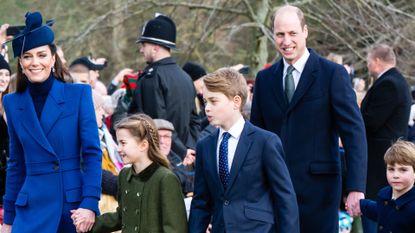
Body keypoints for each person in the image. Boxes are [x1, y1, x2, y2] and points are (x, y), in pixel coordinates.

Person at [250, 5, 367, 233]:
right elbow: (256, 136)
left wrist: (355, 187)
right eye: (280, 34)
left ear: (305, 31)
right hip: (273, 191)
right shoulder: (264, 79)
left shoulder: (332, 74)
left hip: (319, 192)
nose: (286, 41)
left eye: (292, 33)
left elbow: (354, 133)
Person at [1, 11, 102, 233]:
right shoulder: (11, 102)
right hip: (29, 209)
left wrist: (90, 203)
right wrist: (8, 219)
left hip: (72, 209)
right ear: (21, 62)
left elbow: (93, 154)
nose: (35, 62)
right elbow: (16, 164)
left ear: (53, 58)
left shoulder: (79, 95)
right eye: (27, 56)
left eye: (41, 55)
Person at [189, 68, 299, 233]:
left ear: (236, 101)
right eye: (205, 102)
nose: (207, 108)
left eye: (214, 101)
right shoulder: (205, 146)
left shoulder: (265, 142)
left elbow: (285, 198)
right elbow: (201, 202)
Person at [79, 114, 187, 233]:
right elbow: (122, 216)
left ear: (143, 145)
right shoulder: (124, 175)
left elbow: (175, 228)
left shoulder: (165, 178)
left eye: (123, 143)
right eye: (118, 143)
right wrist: (86, 224)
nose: (118, 149)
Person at [128, 14, 199, 160]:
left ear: (155, 48)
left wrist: (182, 152)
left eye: (144, 45)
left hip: (160, 157)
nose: (141, 50)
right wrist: (189, 150)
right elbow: (194, 122)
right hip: (185, 159)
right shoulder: (186, 78)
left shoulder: (151, 77)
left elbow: (157, 123)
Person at [360, 43, 411, 233]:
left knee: (376, 211)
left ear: (377, 61)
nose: (367, 66)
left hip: (381, 160)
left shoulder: (389, 84)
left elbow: (371, 121)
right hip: (383, 158)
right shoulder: (394, 81)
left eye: (368, 62)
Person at [360, 140, 415, 233]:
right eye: (391, 169)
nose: (395, 175)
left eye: (403, 170)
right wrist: (359, 204)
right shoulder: (384, 194)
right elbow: (380, 211)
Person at [153, 118, 195, 195]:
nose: (162, 141)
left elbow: (187, 183)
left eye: (166, 136)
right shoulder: (146, 162)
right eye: (157, 136)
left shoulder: (174, 157)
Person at [0, 54, 11, 225]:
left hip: (8, 183)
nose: (3, 79)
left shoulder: (10, 104)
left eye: (6, 74)